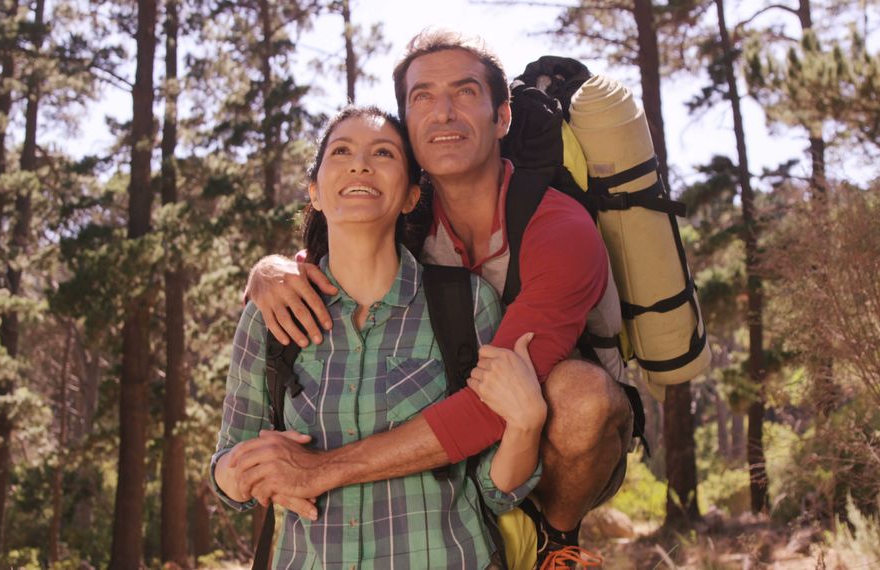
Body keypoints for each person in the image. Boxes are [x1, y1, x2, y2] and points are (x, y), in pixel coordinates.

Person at [241, 30, 634, 567]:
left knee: (579, 396)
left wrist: (323, 469)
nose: (443, 112)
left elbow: (489, 409)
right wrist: (270, 272)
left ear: (503, 118)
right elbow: (334, 256)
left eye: (465, 92)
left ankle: (557, 542)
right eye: (422, 96)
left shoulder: (558, 228)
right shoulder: (412, 215)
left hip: (560, 435)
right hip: (465, 444)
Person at [211, 106, 547, 568]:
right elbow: (227, 470)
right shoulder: (269, 318)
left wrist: (526, 425)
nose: (360, 164)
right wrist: (247, 469)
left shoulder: (466, 306)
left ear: (411, 195)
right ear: (315, 193)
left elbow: (496, 487)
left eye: (383, 153)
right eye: (342, 151)